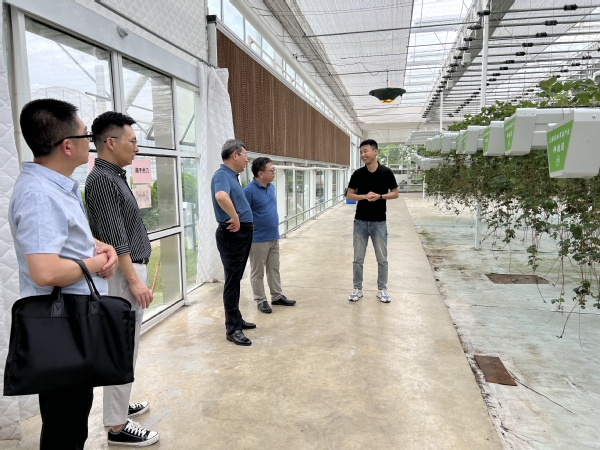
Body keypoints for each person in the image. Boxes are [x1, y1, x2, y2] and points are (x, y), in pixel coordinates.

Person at [9, 98, 118, 449]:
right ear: (67, 145)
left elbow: (66, 239)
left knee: (72, 417)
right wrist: (96, 263)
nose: (91, 142)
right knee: (65, 426)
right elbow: (45, 271)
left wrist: (99, 246)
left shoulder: (56, 187)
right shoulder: (40, 194)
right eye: (86, 135)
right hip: (63, 326)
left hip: (72, 321)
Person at [85, 112, 159, 447]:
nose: (136, 148)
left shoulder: (113, 176)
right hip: (121, 275)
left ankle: (120, 403)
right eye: (132, 141)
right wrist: (135, 281)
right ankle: (117, 427)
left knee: (125, 346)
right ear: (111, 142)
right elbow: (116, 240)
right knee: (122, 346)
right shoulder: (102, 180)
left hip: (126, 272)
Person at [211, 139, 256, 346]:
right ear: (235, 154)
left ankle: (236, 318)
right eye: (245, 155)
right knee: (232, 281)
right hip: (233, 234)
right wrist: (236, 217)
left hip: (241, 234)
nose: (247, 160)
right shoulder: (222, 175)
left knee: (235, 279)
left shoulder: (231, 176)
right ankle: (233, 328)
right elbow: (221, 196)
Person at [345, 139, 399, 303]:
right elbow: (349, 195)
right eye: (361, 152)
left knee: (382, 259)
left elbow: (395, 193)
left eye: (366, 151)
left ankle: (382, 289)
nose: (363, 155)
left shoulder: (386, 172)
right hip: (360, 221)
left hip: (379, 222)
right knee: (358, 259)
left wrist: (380, 196)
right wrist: (364, 196)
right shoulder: (357, 174)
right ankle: (357, 288)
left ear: (375, 151)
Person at [244, 157, 296, 313]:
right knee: (257, 272)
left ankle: (277, 296)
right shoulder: (248, 191)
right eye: (271, 170)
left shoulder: (271, 187)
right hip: (258, 239)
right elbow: (243, 214)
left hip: (273, 235)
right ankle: (260, 300)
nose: (274, 172)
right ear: (261, 173)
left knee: (274, 268)